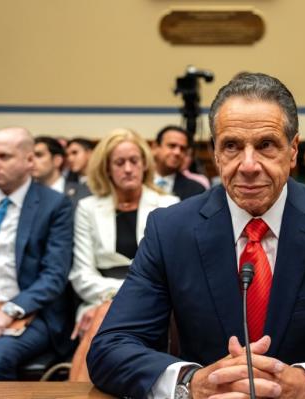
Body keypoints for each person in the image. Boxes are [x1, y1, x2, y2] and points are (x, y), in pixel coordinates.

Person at [88, 72, 305, 399]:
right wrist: (192, 384)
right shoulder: (170, 230)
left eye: (266, 145)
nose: (249, 165)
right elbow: (110, 348)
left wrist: (304, 383)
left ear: (293, 150)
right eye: (232, 146)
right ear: (215, 153)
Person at [0, 127, 73, 380]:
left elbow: (54, 275)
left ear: (29, 161)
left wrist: (7, 312)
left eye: (3, 157)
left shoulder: (55, 205)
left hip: (29, 314)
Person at [69, 128, 179, 339]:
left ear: (145, 164)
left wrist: (132, 296)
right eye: (119, 163)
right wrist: (119, 296)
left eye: (134, 161)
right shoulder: (87, 208)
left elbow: (175, 271)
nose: (128, 169)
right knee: (101, 316)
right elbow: (82, 275)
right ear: (107, 168)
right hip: (99, 297)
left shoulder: (168, 204)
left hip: (156, 299)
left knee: (105, 318)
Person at [152, 125, 206, 200]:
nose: (177, 152)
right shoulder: (137, 182)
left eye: (182, 149)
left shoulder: (196, 190)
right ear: (155, 147)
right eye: (172, 146)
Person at [32, 136, 91, 205]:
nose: (32, 161)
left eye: (39, 155)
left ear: (57, 160)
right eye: (29, 157)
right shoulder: (24, 194)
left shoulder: (84, 192)